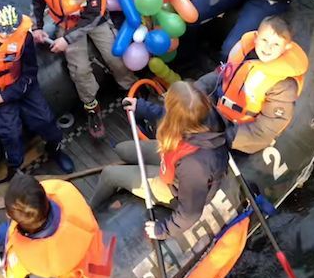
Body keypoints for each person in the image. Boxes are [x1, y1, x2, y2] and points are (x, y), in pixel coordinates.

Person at [89, 81, 227, 242]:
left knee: (109, 174)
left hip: (174, 189)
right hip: (177, 154)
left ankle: (88, 211)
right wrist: (140, 107)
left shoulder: (194, 167)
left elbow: (190, 214)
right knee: (122, 149)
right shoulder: (201, 114)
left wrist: (162, 230)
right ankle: (131, 177)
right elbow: (168, 115)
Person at [0, 0, 74, 178]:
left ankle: (55, 149)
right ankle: (14, 169)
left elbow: (30, 73)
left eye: (10, 32)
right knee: (11, 134)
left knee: (46, 120)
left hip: (21, 85)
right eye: (3, 32)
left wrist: (8, 95)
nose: (7, 36)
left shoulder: (24, 37)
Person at [29, 0, 137, 136]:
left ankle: (131, 90)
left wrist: (66, 40)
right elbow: (37, 0)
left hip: (94, 21)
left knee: (114, 56)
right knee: (79, 71)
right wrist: (37, 27)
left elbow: (93, 16)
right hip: (67, 23)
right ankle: (92, 109)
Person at [195, 15, 308, 154]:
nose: (268, 48)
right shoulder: (244, 51)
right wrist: (196, 90)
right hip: (220, 111)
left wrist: (224, 137)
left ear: (287, 47)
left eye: (276, 44)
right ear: (256, 37)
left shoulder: (283, 85)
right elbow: (222, 75)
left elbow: (267, 128)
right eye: (265, 40)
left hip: (241, 133)